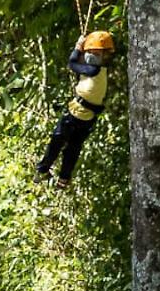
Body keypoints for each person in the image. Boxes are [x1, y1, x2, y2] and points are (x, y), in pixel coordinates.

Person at [35, 31, 115, 188]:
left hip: (76, 114)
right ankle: (63, 178)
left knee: (58, 141)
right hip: (87, 116)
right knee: (72, 148)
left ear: (104, 56)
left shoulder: (93, 70)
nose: (92, 55)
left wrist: (78, 48)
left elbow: (72, 63)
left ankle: (43, 169)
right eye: (90, 52)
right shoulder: (98, 70)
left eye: (97, 53)